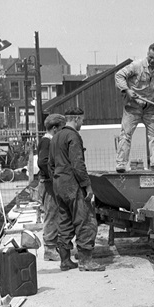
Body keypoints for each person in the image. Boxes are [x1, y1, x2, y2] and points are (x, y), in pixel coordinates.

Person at [49, 107, 105, 272]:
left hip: (59, 184)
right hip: (72, 184)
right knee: (85, 220)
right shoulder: (73, 136)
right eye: (82, 120)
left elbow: (50, 164)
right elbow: (78, 164)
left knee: (64, 221)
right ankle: (86, 261)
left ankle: (65, 261)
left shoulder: (55, 137)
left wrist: (58, 179)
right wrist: (87, 185)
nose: (83, 122)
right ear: (76, 119)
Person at [114, 43, 154, 173]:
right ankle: (121, 164)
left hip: (150, 107)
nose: (152, 60)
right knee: (126, 134)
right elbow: (119, 76)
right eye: (150, 57)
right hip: (132, 106)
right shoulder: (136, 66)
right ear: (148, 53)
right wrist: (127, 90)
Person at [37, 113, 66, 262]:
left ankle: (53, 245)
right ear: (55, 128)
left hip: (49, 182)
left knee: (55, 213)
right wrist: (54, 176)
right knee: (51, 214)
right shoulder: (47, 142)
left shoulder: (49, 141)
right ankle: (49, 248)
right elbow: (42, 162)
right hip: (48, 183)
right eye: (62, 128)